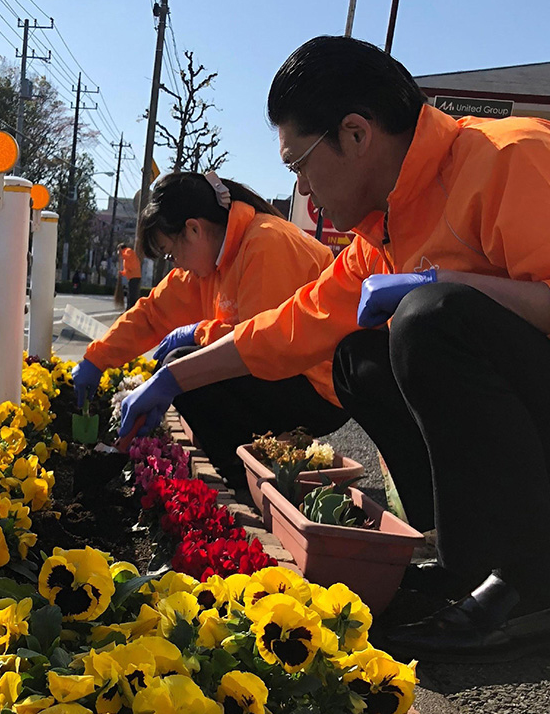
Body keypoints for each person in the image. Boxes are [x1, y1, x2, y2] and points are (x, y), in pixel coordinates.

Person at [118, 35, 550, 663]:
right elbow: (294, 325)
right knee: (360, 354)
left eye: (299, 164)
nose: (303, 190)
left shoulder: (508, 158)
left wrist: (451, 285)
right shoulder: (384, 228)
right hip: (544, 434)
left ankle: (536, 587)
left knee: (429, 318)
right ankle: (471, 565)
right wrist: (173, 379)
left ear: (356, 134)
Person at [71, 171, 347, 488]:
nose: (175, 264)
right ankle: (238, 465)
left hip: (321, 388)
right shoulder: (209, 262)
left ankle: (241, 477)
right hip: (281, 378)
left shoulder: (267, 244)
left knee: (181, 363)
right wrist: (96, 359)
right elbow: (152, 314)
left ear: (193, 229)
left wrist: (195, 336)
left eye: (171, 252)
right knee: (177, 362)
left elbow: (263, 344)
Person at [119, 242, 142, 308]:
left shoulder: (128, 251)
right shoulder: (125, 257)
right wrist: (122, 273)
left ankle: (131, 307)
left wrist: (121, 254)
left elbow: (127, 257)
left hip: (135, 276)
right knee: (130, 294)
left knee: (132, 295)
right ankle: (129, 307)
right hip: (132, 276)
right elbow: (128, 269)